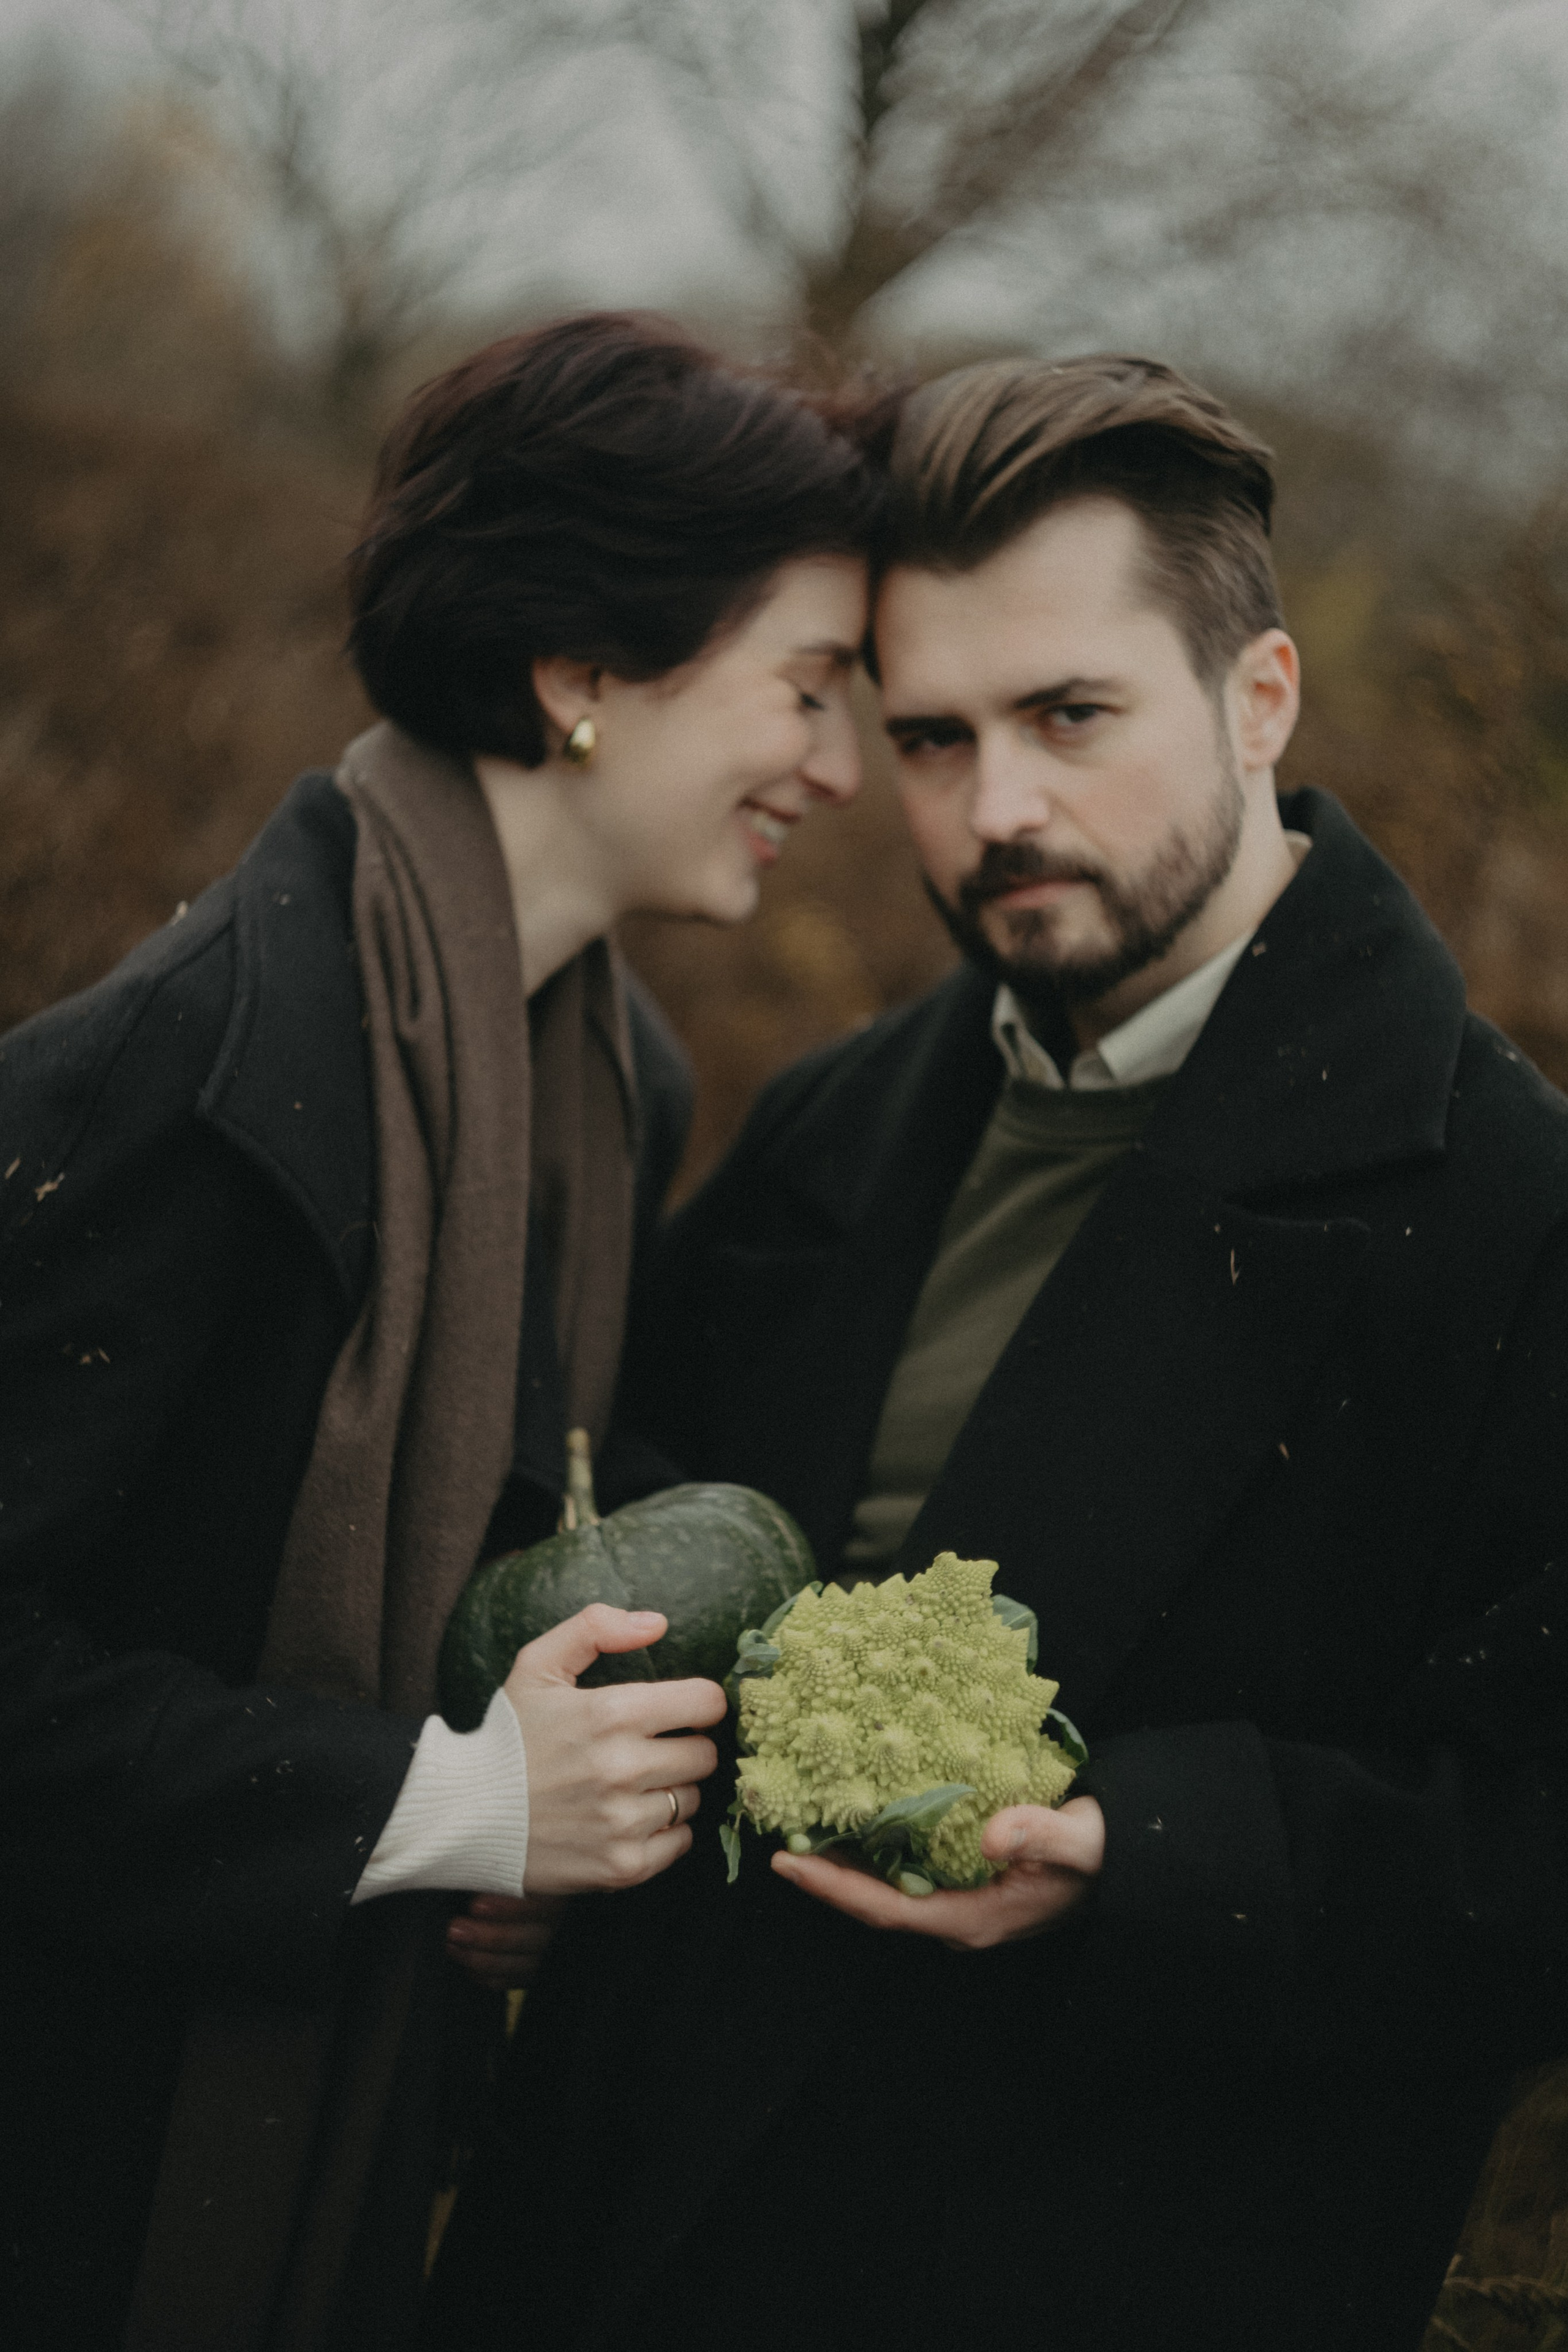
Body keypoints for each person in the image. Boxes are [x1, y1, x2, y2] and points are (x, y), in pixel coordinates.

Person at [423, 355, 1568, 2352]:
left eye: (1071, 717)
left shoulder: (1506, 1214)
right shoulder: (834, 1123)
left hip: (1106, 2256)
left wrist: (1143, 1852)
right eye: (934, 737)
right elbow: (643, 1558)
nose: (998, 808)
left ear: (1262, 698)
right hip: (635, 2235)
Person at [0, 311, 886, 2351]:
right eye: (807, 687)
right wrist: (440, 1806)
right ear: (584, 675)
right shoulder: (202, 1065)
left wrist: (529, 1815)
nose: (838, 768)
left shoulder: (601, 1084)